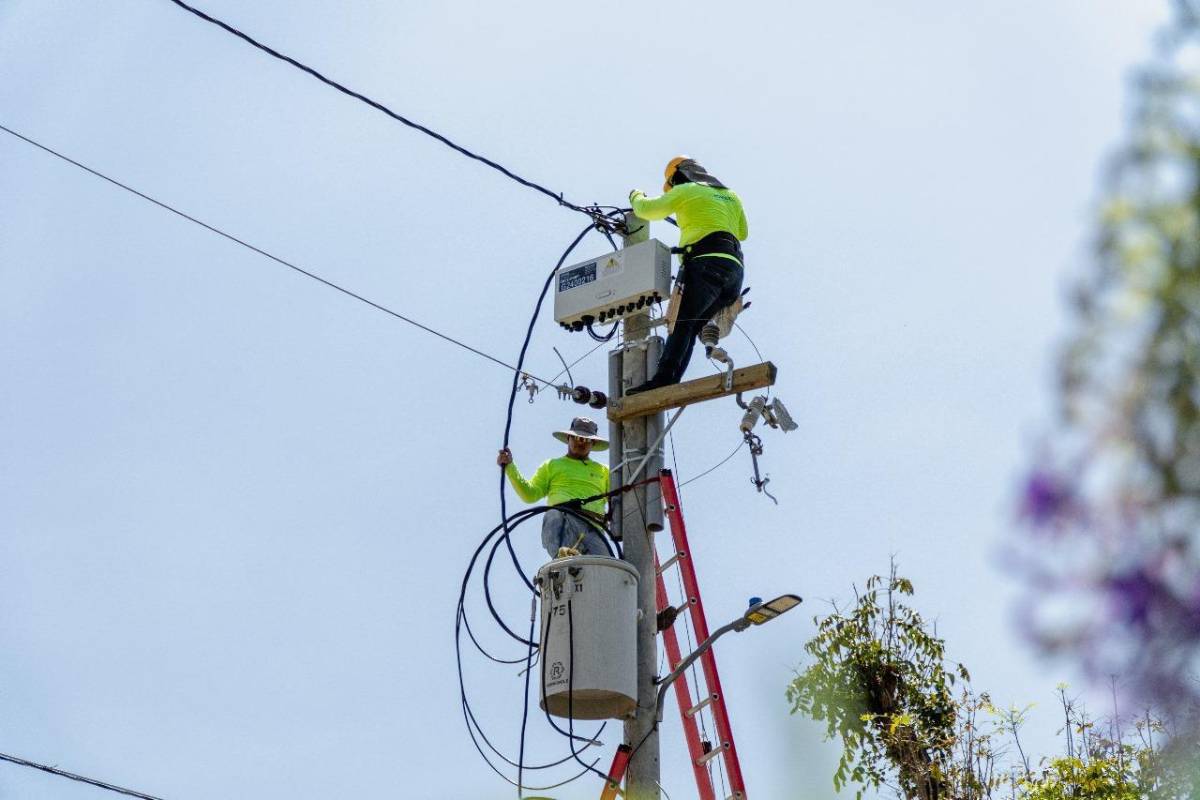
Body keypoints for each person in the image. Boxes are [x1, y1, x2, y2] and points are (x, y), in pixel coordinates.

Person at [626, 156, 748, 395]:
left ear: (677, 177)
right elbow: (742, 232)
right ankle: (669, 380)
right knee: (690, 327)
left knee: (681, 324)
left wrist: (635, 195)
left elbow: (647, 210)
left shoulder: (686, 190)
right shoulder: (731, 195)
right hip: (734, 272)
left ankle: (663, 381)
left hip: (705, 265)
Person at [497, 416, 612, 559]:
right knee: (553, 515)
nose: (581, 442)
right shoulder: (552, 466)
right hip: (563, 521)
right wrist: (510, 467)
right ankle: (561, 558)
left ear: (593, 443)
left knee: (606, 568)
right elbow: (530, 494)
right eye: (577, 438)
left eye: (586, 439)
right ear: (568, 438)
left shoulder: (604, 471)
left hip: (593, 528)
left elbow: (618, 501)